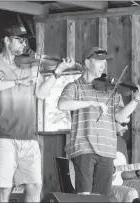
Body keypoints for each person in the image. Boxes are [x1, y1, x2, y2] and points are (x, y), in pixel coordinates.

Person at [0, 24, 75, 202]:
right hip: (3, 136)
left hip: (29, 137)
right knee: (4, 189)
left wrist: (57, 72)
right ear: (7, 40)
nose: (23, 44)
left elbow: (41, 94)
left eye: (25, 40)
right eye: (18, 39)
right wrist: (18, 82)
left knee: (35, 186)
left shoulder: (31, 66)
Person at [58, 46, 140, 197]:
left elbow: (120, 118)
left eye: (105, 62)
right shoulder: (74, 87)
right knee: (85, 198)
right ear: (88, 63)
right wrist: (91, 103)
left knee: (102, 198)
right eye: (99, 61)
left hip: (107, 150)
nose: (103, 65)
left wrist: (135, 101)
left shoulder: (111, 89)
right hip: (84, 148)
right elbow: (62, 104)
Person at [111, 119, 140, 202]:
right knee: (131, 193)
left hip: (118, 183)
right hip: (102, 185)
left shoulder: (121, 143)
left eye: (127, 124)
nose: (127, 128)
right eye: (123, 124)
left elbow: (123, 174)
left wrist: (137, 173)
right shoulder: (101, 140)